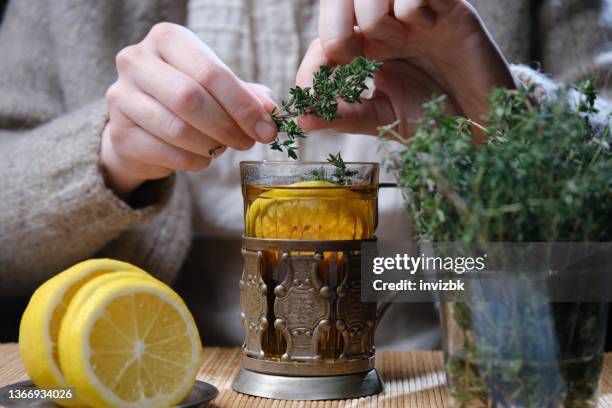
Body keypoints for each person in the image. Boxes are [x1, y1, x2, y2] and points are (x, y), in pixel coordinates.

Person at [0, 0, 610, 347]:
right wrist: (109, 155)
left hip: (450, 372)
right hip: (164, 369)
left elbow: (591, 267)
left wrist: (500, 112)